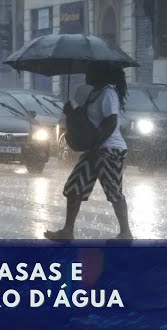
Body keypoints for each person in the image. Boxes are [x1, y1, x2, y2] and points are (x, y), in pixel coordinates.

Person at [45, 67, 132, 241]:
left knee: (113, 190)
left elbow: (111, 122)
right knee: (74, 187)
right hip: (93, 149)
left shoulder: (108, 94)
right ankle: (68, 230)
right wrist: (70, 111)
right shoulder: (92, 93)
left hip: (109, 149)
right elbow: (85, 121)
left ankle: (125, 233)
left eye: (91, 71)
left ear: (101, 73)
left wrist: (96, 146)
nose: (87, 74)